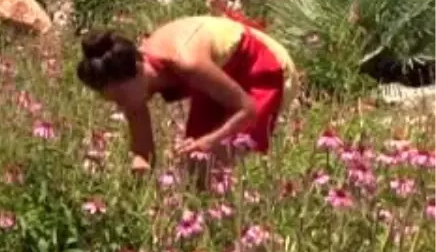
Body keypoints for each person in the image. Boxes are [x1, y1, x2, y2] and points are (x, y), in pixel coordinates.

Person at [75, 10, 296, 182]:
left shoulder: (186, 62)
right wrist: (136, 193)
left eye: (121, 98)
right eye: (113, 102)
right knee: (197, 167)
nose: (121, 108)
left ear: (138, 68)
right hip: (220, 73)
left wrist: (210, 141)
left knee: (216, 161)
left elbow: (247, 109)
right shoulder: (132, 87)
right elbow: (144, 155)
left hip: (261, 65)